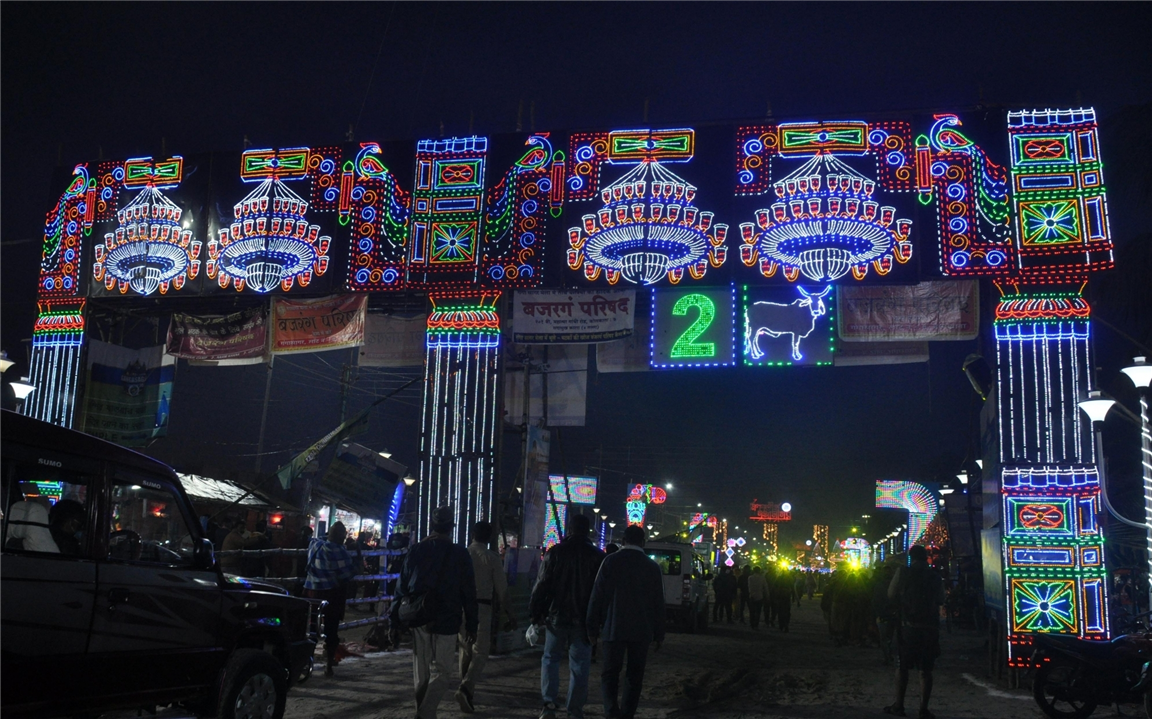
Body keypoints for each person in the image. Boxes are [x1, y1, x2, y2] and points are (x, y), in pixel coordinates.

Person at [390, 506, 477, 719]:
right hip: (448, 617)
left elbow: (401, 588)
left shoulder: (416, 550)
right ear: (451, 528)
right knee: (443, 671)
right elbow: (468, 591)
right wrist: (472, 623)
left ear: (432, 525)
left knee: (421, 671)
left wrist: (394, 620)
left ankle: (424, 712)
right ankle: (426, 713)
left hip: (419, 615)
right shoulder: (460, 553)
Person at [530, 514, 604, 719]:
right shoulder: (597, 556)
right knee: (580, 666)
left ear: (569, 530)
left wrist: (535, 614)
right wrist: (599, 621)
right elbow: (602, 593)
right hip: (584, 620)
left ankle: (549, 705)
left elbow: (541, 585)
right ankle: (575, 710)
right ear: (588, 531)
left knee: (550, 659)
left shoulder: (555, 553)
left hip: (556, 617)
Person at [587, 525, 665, 719]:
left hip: (614, 627)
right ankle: (627, 714)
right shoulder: (652, 567)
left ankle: (611, 712)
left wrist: (592, 627)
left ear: (623, 541)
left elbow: (597, 596)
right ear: (643, 543)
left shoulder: (610, 562)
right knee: (634, 675)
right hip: (642, 630)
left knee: (610, 673)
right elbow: (658, 602)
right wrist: (659, 633)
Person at [457, 521, 516, 714]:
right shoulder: (491, 558)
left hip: (461, 608)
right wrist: (510, 613)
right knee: (480, 653)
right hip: (482, 607)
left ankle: (466, 692)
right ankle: (466, 688)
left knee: (465, 649)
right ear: (490, 537)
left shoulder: (462, 555)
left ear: (472, 534)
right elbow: (502, 590)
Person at [884, 545, 946, 719]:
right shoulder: (935, 576)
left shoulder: (903, 573)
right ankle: (923, 709)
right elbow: (941, 599)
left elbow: (891, 594)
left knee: (902, 667)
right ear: (926, 557)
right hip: (929, 629)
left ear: (911, 557)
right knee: (926, 670)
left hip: (907, 627)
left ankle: (899, 705)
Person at [304, 521, 357, 676]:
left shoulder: (315, 545)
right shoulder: (339, 551)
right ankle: (329, 665)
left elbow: (319, 538)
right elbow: (347, 575)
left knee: (311, 627)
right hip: (331, 594)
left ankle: (308, 662)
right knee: (331, 628)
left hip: (311, 591)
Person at [746, 566, 769, 630]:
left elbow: (749, 587)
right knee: (758, 611)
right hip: (760, 596)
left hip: (752, 596)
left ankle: (752, 623)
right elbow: (765, 587)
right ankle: (756, 624)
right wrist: (767, 595)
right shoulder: (762, 578)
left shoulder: (750, 578)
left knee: (752, 611)